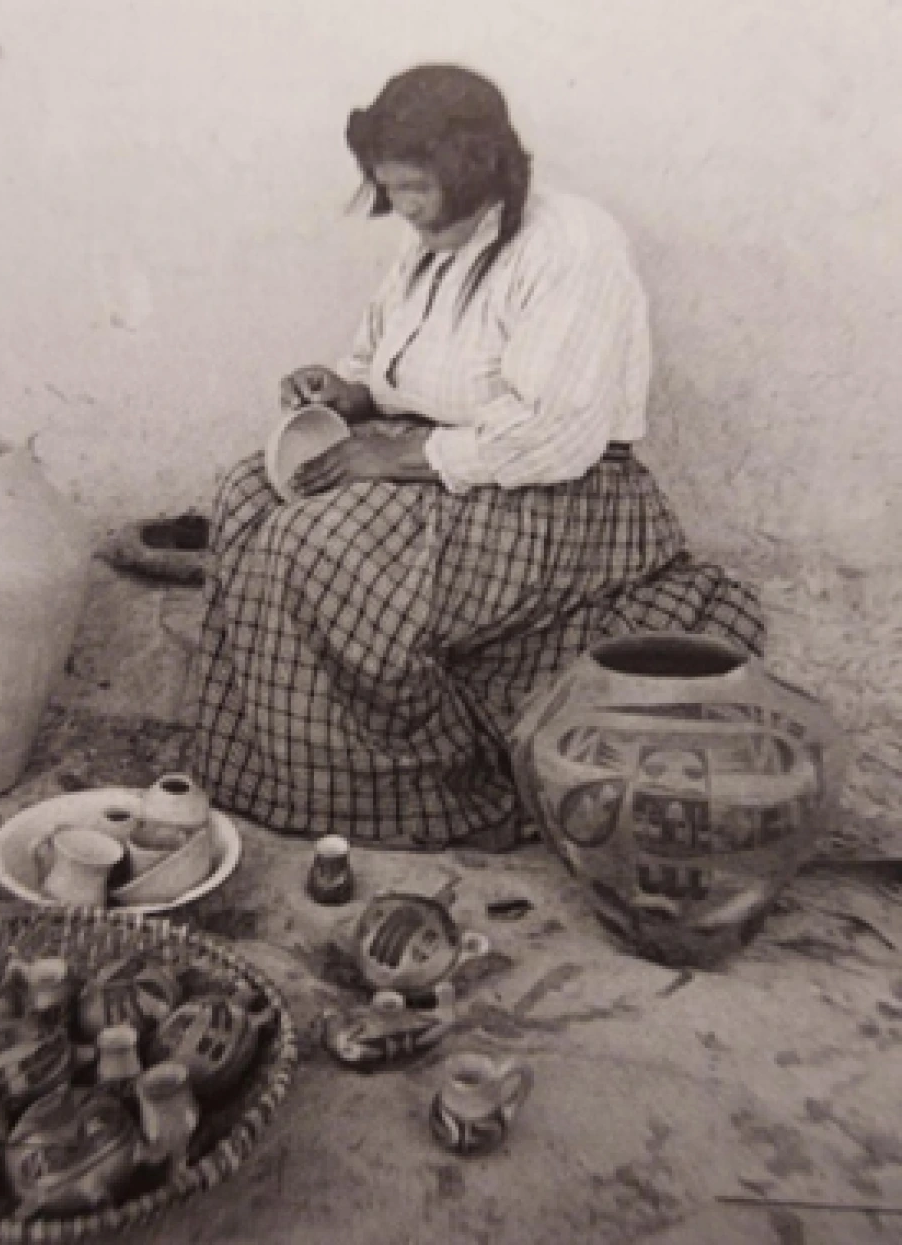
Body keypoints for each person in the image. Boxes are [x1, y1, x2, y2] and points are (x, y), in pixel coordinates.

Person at [191, 63, 764, 851]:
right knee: (247, 495)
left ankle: (414, 790)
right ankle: (285, 777)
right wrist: (348, 393)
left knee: (311, 548)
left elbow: (559, 434)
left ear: (477, 168)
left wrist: (396, 455)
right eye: (390, 188)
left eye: (415, 188)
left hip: (555, 497)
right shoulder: (429, 243)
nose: (401, 207)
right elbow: (384, 363)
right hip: (433, 462)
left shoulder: (571, 244)